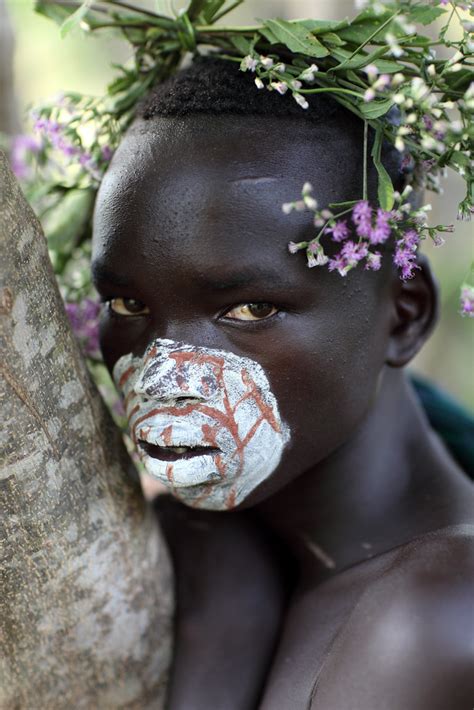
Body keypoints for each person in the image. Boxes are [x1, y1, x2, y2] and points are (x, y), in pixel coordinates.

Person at [91, 57, 474, 709]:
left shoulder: (434, 615)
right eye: (129, 307)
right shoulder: (236, 548)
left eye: (249, 309)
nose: (165, 369)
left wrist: (217, 643)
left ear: (404, 313)